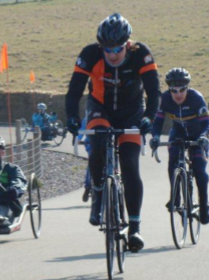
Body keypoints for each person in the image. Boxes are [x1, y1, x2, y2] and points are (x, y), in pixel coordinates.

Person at [65, 13, 161, 252]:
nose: (112, 54)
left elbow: (155, 92)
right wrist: (72, 117)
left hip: (132, 113)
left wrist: (149, 117)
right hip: (100, 108)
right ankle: (98, 193)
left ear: (128, 44)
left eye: (118, 48)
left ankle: (135, 228)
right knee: (97, 148)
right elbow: (74, 90)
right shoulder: (90, 54)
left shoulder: (141, 54)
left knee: (129, 164)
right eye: (107, 49)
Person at [150, 68, 209, 225]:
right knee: (173, 160)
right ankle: (175, 197)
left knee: (199, 171)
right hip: (178, 133)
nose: (178, 94)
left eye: (182, 89)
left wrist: (204, 137)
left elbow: (206, 123)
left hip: (198, 135)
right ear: (169, 89)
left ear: (188, 88)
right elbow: (157, 122)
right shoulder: (165, 99)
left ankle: (204, 204)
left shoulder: (196, 99)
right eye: (174, 90)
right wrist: (155, 137)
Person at [77, 117, 92, 202]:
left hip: (106, 143)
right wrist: (79, 139)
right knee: (91, 165)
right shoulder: (87, 119)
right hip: (92, 144)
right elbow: (82, 129)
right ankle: (87, 187)